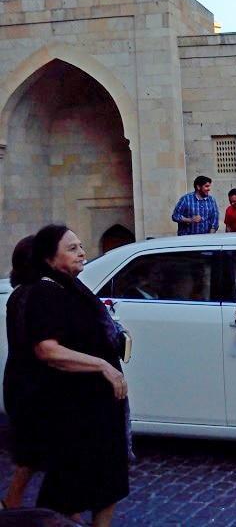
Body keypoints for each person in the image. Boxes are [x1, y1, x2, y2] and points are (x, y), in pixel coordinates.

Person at [25, 224, 129, 527]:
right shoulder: (44, 293)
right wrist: (102, 366)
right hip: (75, 409)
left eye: (81, 246)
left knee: (109, 483)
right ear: (49, 258)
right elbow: (47, 350)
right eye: (72, 248)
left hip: (100, 406)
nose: (82, 253)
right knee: (70, 487)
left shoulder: (72, 287)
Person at [2, 236, 43, 510]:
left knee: (33, 456)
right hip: (30, 385)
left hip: (24, 382)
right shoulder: (30, 295)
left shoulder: (25, 293)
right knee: (30, 456)